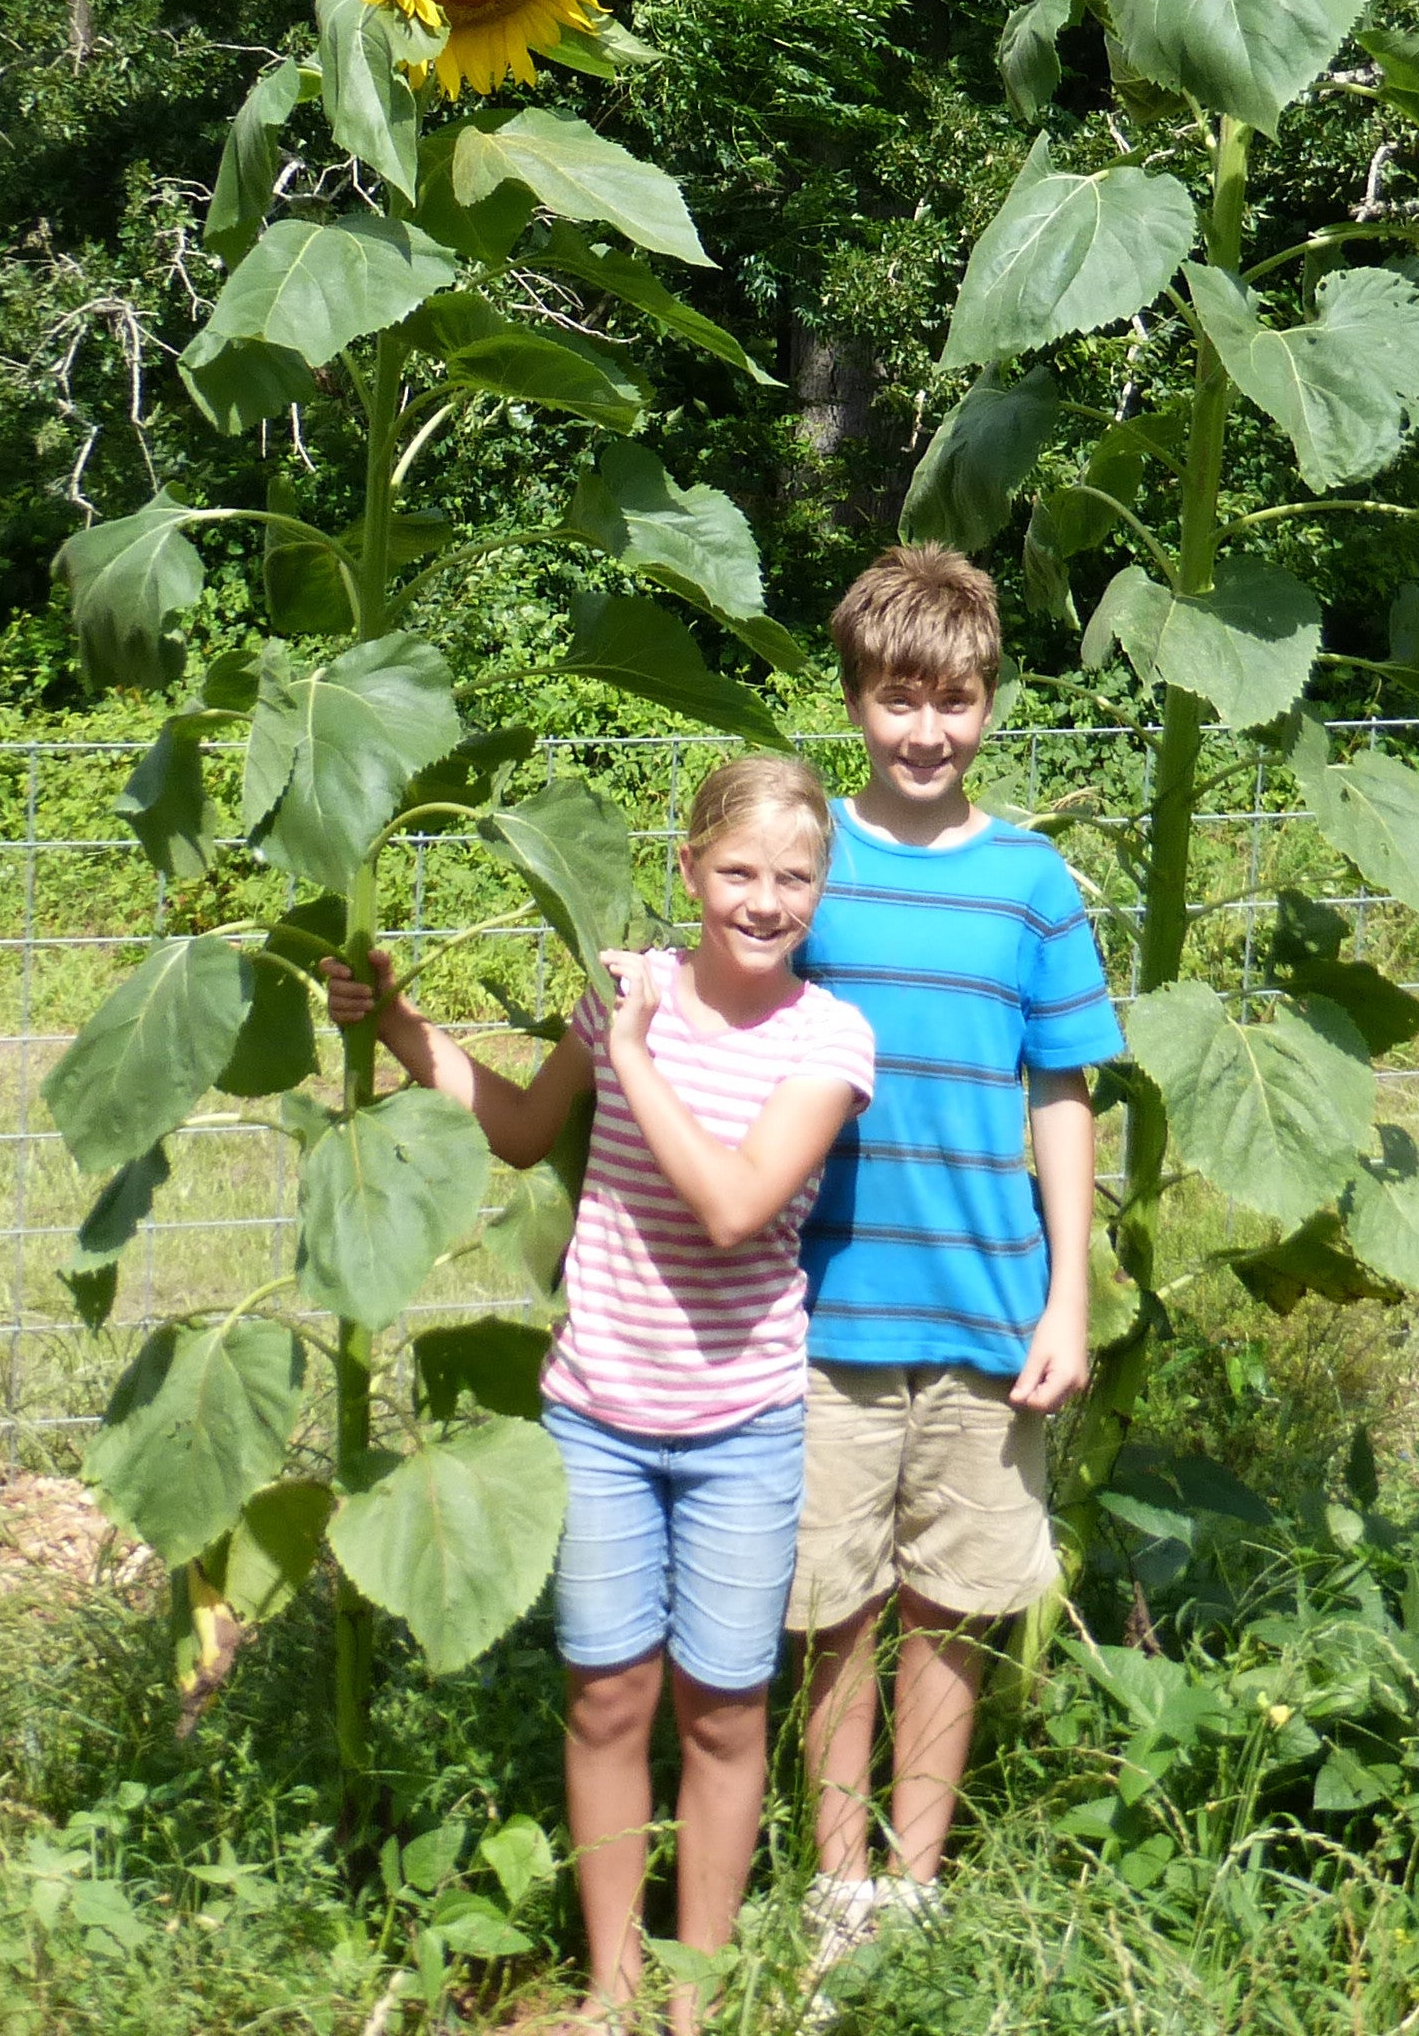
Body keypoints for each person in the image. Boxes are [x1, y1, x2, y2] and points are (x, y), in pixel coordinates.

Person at [324, 752, 873, 2034]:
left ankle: (694, 2001)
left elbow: (737, 1207)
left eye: (792, 877)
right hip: (598, 1413)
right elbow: (518, 1130)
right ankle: (616, 1991)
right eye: (735, 870)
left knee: (724, 1710)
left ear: (820, 890)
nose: (761, 899)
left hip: (741, 1422)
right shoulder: (625, 995)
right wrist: (396, 1020)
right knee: (607, 1693)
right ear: (687, 869)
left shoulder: (829, 1036)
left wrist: (634, 1051)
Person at [788, 545, 1124, 1967]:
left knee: (951, 1600)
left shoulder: (1033, 884)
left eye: (956, 701)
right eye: (896, 701)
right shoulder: (810, 862)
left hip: (988, 1311)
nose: (926, 731)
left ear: (991, 699)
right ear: (855, 699)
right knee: (832, 1608)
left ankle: (914, 1889)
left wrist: (1070, 1293)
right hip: (817, 1312)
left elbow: (1063, 1091)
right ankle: (835, 1883)